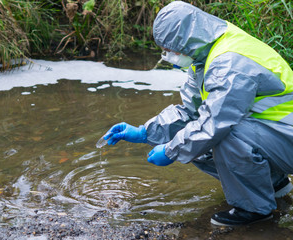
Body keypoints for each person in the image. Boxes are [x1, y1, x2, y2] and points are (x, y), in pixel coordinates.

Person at [102, 1, 293, 226]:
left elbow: (216, 122)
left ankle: (256, 211)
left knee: (223, 135)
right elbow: (190, 113)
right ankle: (273, 184)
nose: (168, 56)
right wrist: (144, 132)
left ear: (185, 39)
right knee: (196, 140)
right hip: (274, 134)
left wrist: (171, 150)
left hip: (286, 134)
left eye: (170, 50)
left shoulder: (228, 61)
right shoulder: (204, 57)